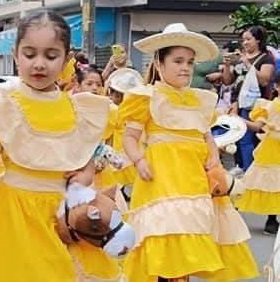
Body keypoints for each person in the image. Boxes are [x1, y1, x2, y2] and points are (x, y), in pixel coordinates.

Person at [0, 10, 126, 281]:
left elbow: (85, 153)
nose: (39, 64)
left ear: (67, 58)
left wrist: (87, 174)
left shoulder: (80, 109)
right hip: (14, 217)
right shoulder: (1, 105)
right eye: (30, 54)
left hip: (67, 214)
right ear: (15, 54)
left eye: (51, 55)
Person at [119, 23, 257, 281]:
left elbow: (206, 134)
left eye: (190, 62)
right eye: (178, 61)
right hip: (162, 178)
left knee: (191, 236)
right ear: (160, 63)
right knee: (166, 234)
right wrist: (138, 160)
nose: (185, 67)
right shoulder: (146, 97)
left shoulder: (199, 99)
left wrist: (214, 160)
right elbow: (130, 136)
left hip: (194, 178)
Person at [222, 26, 275, 171]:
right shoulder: (240, 58)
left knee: (247, 138)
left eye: (248, 39)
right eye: (243, 40)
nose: (244, 43)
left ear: (258, 40)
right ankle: (239, 167)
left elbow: (264, 80)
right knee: (235, 137)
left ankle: (249, 170)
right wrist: (227, 65)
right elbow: (228, 81)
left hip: (254, 105)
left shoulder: (266, 58)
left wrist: (247, 62)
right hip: (237, 103)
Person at [235, 71, 280, 235]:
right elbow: (257, 126)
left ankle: (272, 219)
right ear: (276, 87)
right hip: (271, 150)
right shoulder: (269, 107)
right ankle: (270, 218)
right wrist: (238, 120)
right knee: (263, 182)